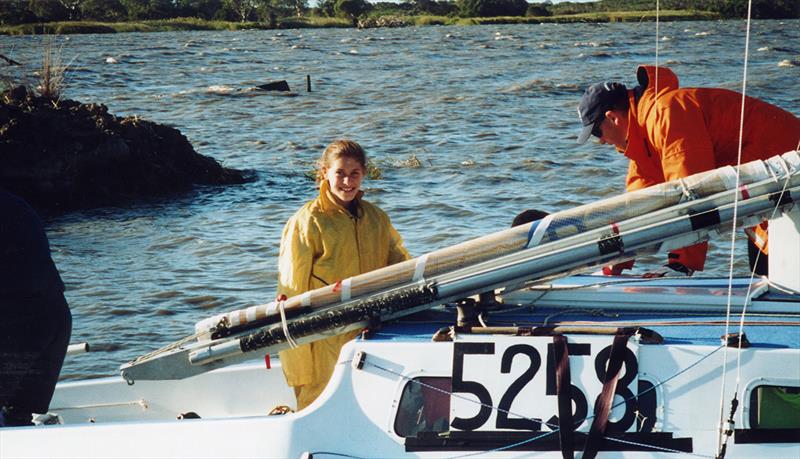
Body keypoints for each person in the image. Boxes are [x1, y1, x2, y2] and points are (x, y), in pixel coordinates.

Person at [577, 65, 800, 276]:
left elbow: (694, 194)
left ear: (612, 118)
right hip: (766, 194)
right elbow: (637, 208)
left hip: (786, 178)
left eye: (597, 134)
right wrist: (613, 266)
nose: (601, 142)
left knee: (779, 275)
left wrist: (681, 265)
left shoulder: (668, 113)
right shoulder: (644, 138)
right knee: (767, 273)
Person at [276, 140, 410, 411]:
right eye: (340, 173)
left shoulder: (376, 218)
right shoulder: (307, 221)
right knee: (319, 408)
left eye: (355, 174)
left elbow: (402, 268)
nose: (347, 181)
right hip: (324, 337)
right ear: (324, 172)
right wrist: (298, 358)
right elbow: (291, 292)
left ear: (364, 173)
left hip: (371, 331)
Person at [0, 190, 72, 427]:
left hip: (19, 323)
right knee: (19, 416)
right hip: (54, 316)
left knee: (15, 417)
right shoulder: (16, 203)